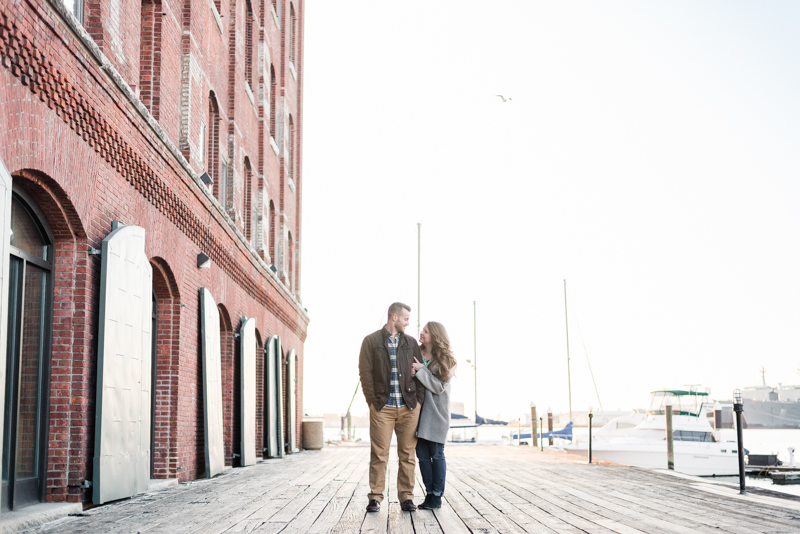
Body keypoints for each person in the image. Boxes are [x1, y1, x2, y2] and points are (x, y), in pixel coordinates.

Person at [358, 302, 425, 513]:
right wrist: (372, 401)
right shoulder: (371, 341)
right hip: (382, 408)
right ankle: (375, 497)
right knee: (379, 454)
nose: (408, 323)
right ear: (394, 317)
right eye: (406, 319)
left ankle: (406, 497)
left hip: (408, 407)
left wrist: (419, 403)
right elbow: (365, 373)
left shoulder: (412, 342)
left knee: (407, 455)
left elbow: (420, 372)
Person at [411, 321, 456, 510]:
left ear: (436, 336)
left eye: (426, 331)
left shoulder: (447, 361)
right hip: (418, 413)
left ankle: (437, 495)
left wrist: (421, 370)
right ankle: (429, 493)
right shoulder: (417, 353)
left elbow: (438, 387)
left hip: (437, 414)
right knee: (421, 455)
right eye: (422, 330)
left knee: (436, 454)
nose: (421, 333)